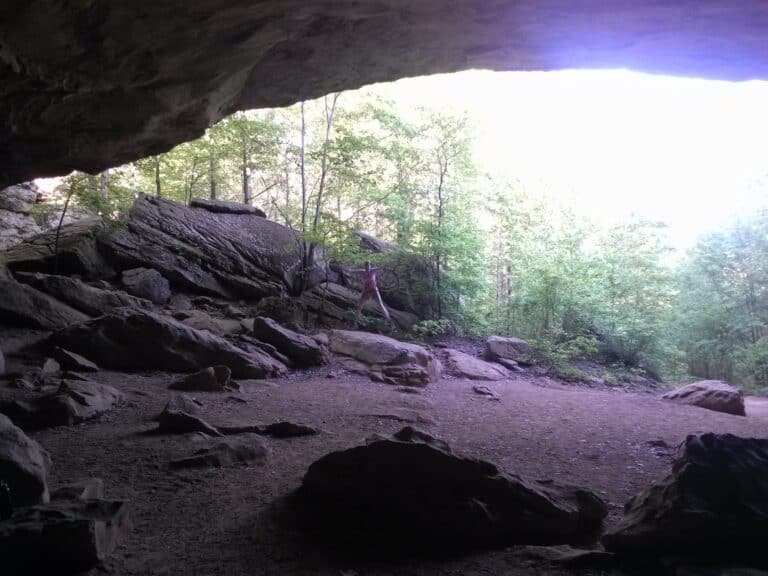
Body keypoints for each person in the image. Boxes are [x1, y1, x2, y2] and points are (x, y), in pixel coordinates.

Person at [354, 261, 395, 327]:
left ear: (370, 265)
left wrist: (388, 265)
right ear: (364, 266)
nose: (367, 267)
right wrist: (350, 270)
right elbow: (355, 271)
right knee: (359, 306)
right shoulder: (363, 271)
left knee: (381, 306)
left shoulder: (373, 270)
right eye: (366, 265)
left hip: (374, 290)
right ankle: (355, 323)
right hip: (366, 292)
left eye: (368, 265)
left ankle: (390, 323)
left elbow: (381, 267)